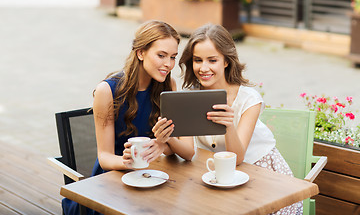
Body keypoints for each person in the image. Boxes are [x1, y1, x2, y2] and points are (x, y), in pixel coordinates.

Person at [62, 20, 194, 215]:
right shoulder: (107, 91)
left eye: (173, 57)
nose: (169, 64)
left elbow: (188, 153)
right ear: (140, 53)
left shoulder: (168, 85)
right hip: (112, 182)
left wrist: (162, 144)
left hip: (152, 177)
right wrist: (128, 161)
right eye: (161, 55)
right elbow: (104, 157)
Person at [179, 23, 302, 215]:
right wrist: (166, 138)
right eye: (197, 60)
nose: (203, 68)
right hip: (216, 175)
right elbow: (187, 152)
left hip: (261, 172)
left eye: (212, 60)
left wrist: (229, 125)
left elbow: (237, 158)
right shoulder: (189, 98)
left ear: (226, 61)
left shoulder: (249, 100)